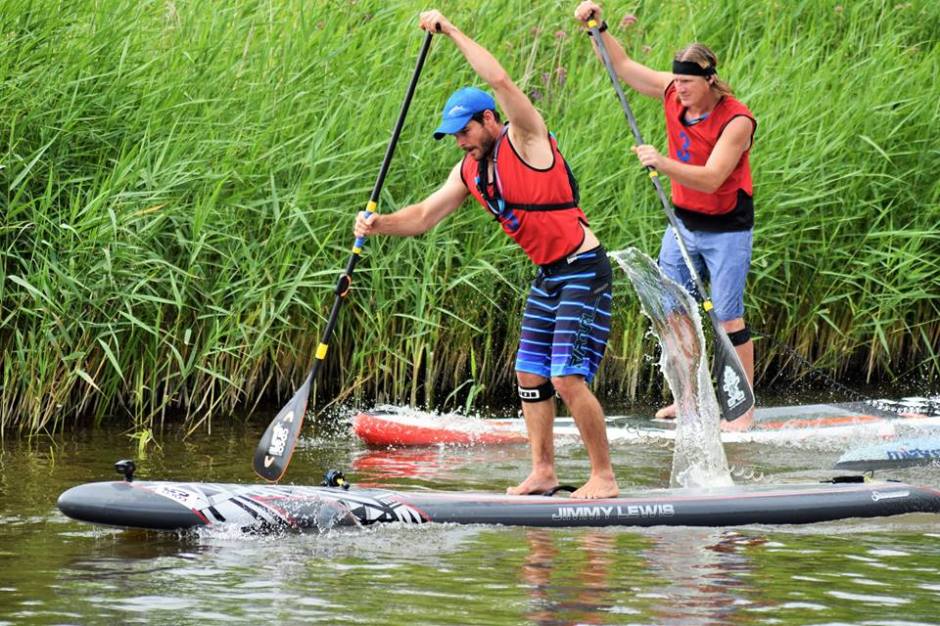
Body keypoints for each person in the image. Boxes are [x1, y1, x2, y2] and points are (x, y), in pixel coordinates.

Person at [354, 9, 619, 498]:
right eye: (453, 135)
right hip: (548, 275)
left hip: (585, 268)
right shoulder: (469, 170)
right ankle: (544, 471)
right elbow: (424, 217)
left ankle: (604, 477)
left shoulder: (526, 138)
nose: (459, 141)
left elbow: (497, 76)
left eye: (465, 131)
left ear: (490, 120)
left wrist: (451, 30)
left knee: (566, 377)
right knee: (529, 374)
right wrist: (377, 225)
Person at [574, 2, 757, 431]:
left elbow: (712, 178)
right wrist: (598, 27)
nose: (680, 90)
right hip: (681, 225)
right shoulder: (674, 91)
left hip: (726, 230)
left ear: (710, 80)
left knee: (728, 317)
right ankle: (688, 402)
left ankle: (742, 408)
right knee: (674, 312)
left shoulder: (737, 120)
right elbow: (622, 65)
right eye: (676, 81)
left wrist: (661, 162)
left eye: (689, 83)